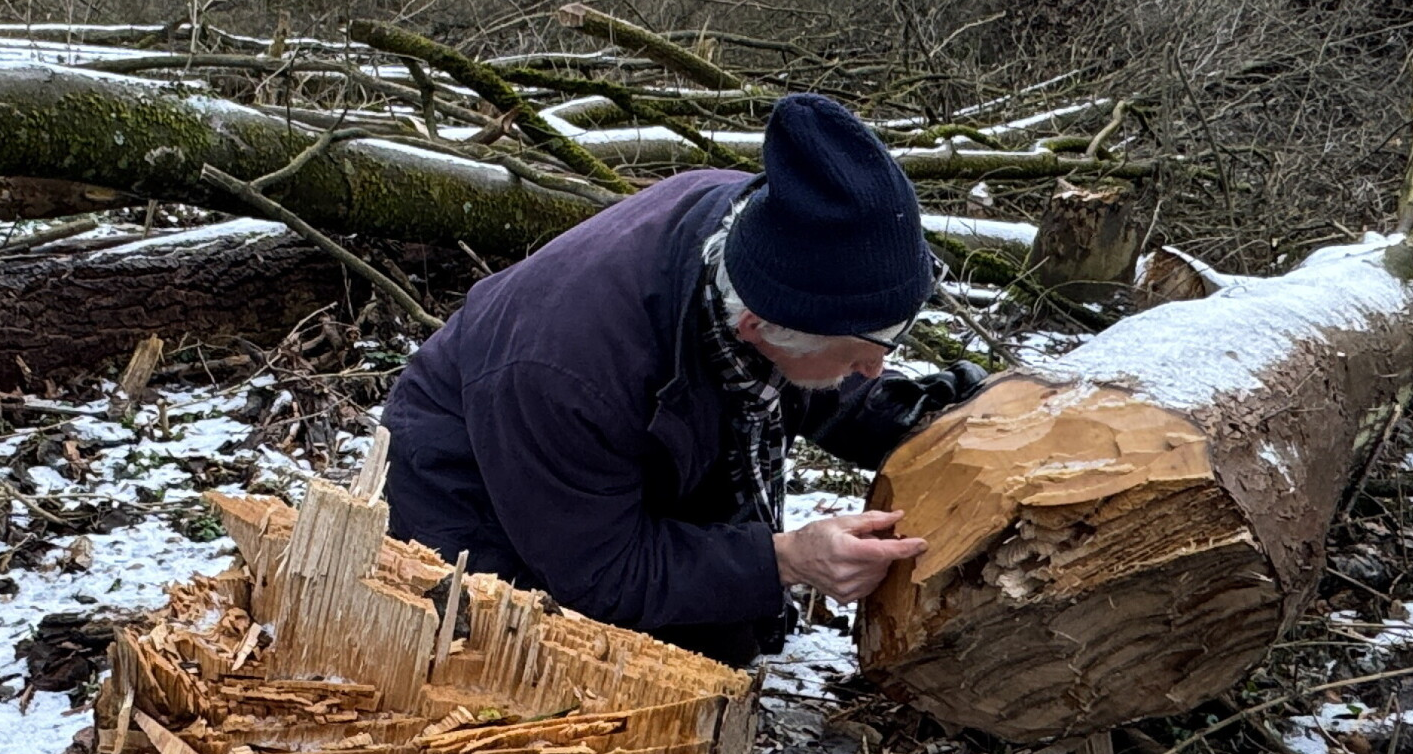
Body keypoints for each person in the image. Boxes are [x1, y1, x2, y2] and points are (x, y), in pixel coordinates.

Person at [381, 92, 984, 664]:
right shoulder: (566, 373)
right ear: (757, 330)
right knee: (615, 655)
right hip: (476, 496)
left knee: (730, 621)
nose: (875, 369)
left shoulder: (773, 228)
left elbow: (822, 365)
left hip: (619, 441)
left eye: (887, 342)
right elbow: (603, 574)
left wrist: (937, 417)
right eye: (860, 357)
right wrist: (785, 560)